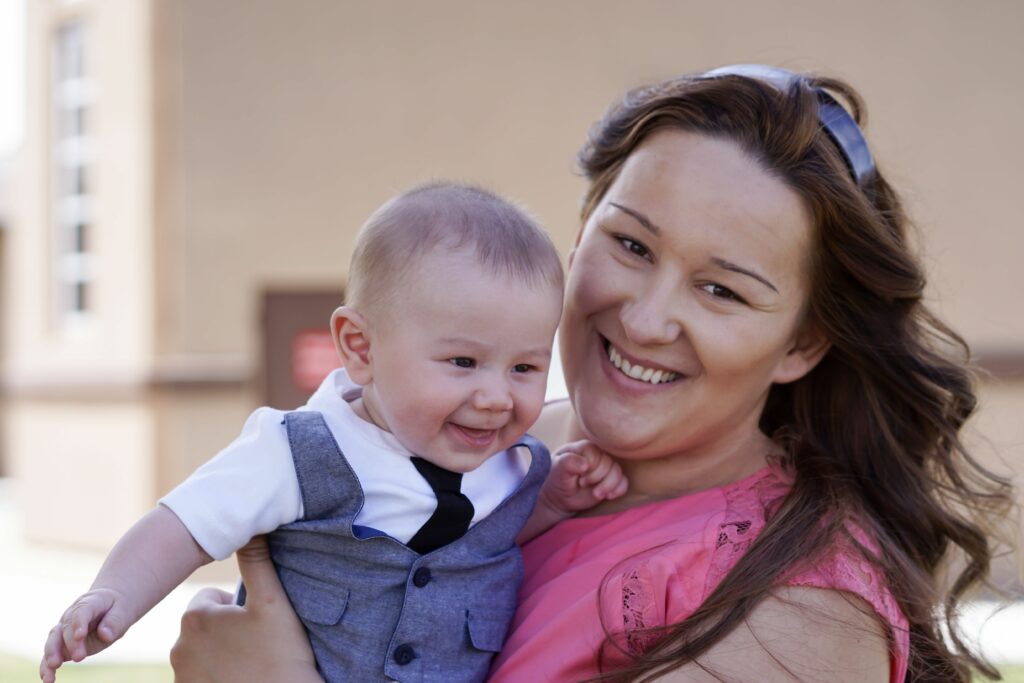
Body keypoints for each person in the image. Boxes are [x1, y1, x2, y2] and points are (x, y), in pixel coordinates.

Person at [169, 65, 1013, 683]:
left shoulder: (803, 617)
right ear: (579, 237)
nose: (644, 318)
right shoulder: (490, 449)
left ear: (802, 343)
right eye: (632, 245)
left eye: (722, 289)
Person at [39, 182, 629, 683]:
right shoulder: (295, 451)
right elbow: (182, 526)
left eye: (524, 367)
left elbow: (491, 535)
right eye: (463, 363)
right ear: (360, 348)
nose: (497, 396)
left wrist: (552, 502)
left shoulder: (516, 469)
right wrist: (112, 596)